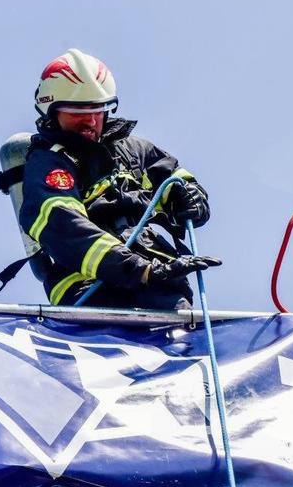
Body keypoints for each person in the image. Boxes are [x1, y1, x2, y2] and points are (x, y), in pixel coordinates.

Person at [17, 48, 219, 309]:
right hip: (89, 290)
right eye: (79, 111)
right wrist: (139, 270)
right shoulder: (50, 163)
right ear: (52, 112)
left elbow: (179, 182)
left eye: (98, 109)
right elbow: (63, 226)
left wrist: (192, 198)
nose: (91, 121)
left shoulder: (133, 151)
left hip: (158, 282)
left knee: (182, 332)